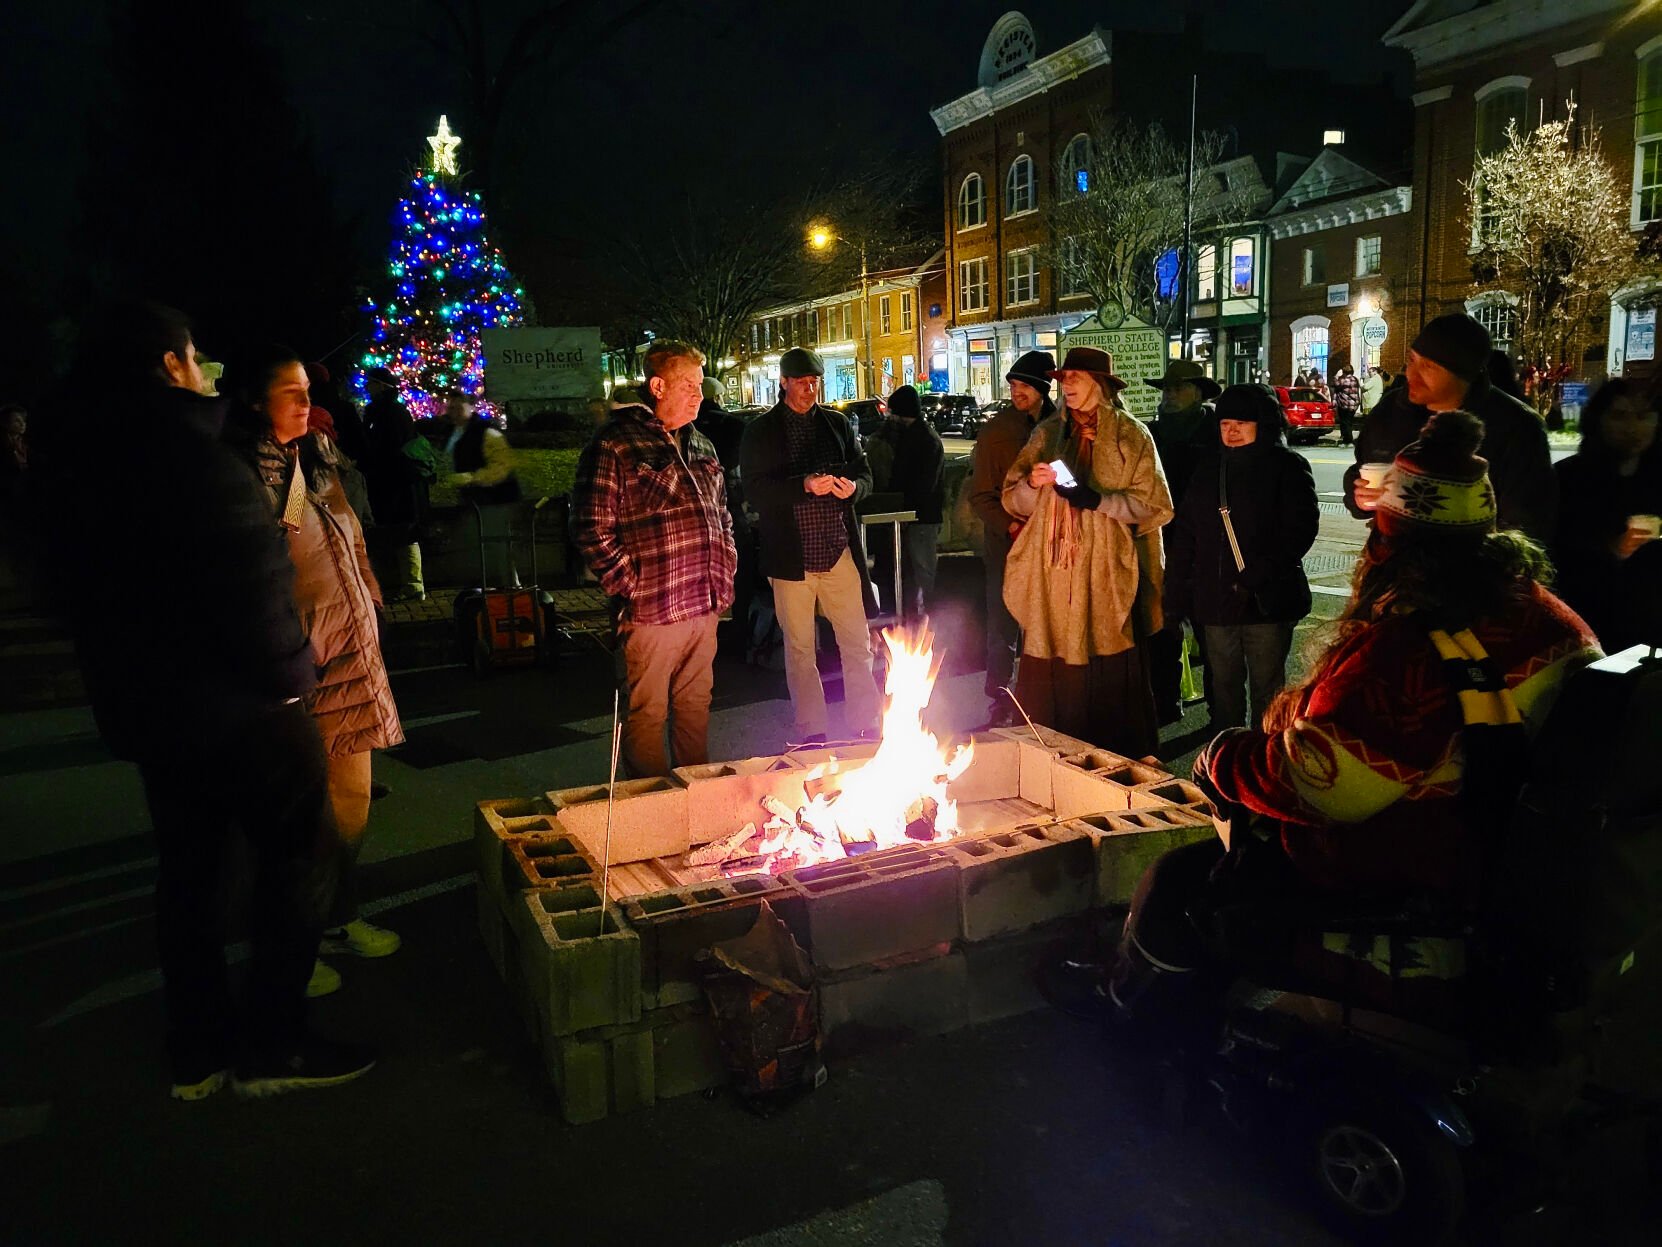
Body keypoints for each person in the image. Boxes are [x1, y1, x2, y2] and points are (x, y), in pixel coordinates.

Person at [1116, 411, 1599, 1017]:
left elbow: (1325, 785)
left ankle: (1152, 1026)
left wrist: (1221, 757)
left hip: (1418, 879)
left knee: (1181, 882)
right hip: (1514, 861)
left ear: (1394, 542)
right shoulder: (1546, 613)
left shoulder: (1412, 649)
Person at [55, 301, 372, 1099]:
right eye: (196, 357)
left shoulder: (82, 461)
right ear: (169, 364)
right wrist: (296, 680)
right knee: (298, 858)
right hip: (248, 715)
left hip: (156, 716)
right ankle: (271, 1041)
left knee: (191, 873)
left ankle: (195, 1049)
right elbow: (255, 599)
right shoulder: (196, 459)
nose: (206, 372)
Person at [226, 344, 407, 999]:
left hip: (351, 655)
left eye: (308, 391)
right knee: (296, 817)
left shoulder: (322, 461)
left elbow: (353, 543)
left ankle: (337, 915)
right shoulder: (244, 473)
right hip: (296, 666)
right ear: (254, 400)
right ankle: (287, 946)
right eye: (289, 392)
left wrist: (373, 604)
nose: (306, 404)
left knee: (352, 804)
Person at [571, 340, 737, 777]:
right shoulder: (616, 444)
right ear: (658, 386)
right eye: (689, 385)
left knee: (695, 707)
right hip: (652, 610)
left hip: (704, 604)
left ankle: (695, 799)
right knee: (647, 714)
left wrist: (725, 569)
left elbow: (723, 515)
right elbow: (591, 526)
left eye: (701, 386)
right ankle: (651, 808)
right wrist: (632, 584)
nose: (699, 395)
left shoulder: (702, 444)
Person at [1000, 346, 1174, 755]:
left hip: (1106, 570)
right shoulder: (1046, 435)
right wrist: (1033, 485)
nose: (1067, 387)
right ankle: (1053, 752)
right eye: (1063, 381)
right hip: (1053, 574)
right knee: (1052, 647)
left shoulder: (1132, 436)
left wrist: (1098, 501)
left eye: (1074, 378)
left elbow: (1154, 505)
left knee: (1105, 647)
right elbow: (1013, 501)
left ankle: (1111, 754)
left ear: (1100, 383)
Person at [739, 346, 881, 744]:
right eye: (801, 381)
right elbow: (754, 489)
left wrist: (853, 489)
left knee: (856, 641)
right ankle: (811, 728)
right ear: (783, 382)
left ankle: (866, 721)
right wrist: (802, 486)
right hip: (791, 556)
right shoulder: (762, 431)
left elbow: (864, 472)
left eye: (814, 381)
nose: (809, 388)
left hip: (837, 550)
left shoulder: (835, 424)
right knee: (800, 649)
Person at [1164, 384, 1318, 730]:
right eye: (1225, 424)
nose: (1231, 431)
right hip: (1216, 599)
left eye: (1241, 424)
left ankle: (1266, 760)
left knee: (1267, 689)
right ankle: (1227, 757)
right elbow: (1187, 534)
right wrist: (1176, 592)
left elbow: (1300, 529)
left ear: (1262, 424)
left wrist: (1258, 573)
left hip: (1264, 600)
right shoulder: (1209, 469)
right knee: (1224, 688)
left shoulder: (1288, 466)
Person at [1345, 312, 1556, 542]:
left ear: (1463, 375)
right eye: (1412, 360)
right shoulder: (1391, 409)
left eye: (1428, 367)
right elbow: (1360, 469)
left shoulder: (1517, 427)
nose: (1411, 375)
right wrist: (1360, 498)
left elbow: (1524, 526)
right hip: (1395, 566)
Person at [968, 351, 1054, 727]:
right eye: (1014, 385)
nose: (1017, 391)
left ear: (1042, 388)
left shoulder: (1059, 426)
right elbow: (980, 495)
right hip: (1006, 544)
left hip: (1052, 543)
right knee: (1002, 624)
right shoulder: (997, 430)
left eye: (1025, 385)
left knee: (1047, 623)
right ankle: (1000, 698)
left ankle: (1042, 695)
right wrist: (1011, 526)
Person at [1552, 379, 1662, 652]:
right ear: (1598, 420)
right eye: (1619, 416)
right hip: (1590, 621)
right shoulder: (1569, 478)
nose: (1633, 427)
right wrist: (1609, 548)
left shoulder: (1657, 478)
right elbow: (1556, 545)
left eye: (1643, 416)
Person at [1145, 360, 1223, 725]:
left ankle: (1220, 712)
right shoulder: (1152, 433)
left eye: (1177, 388)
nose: (1169, 395)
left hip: (1205, 548)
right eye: (1166, 389)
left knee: (1211, 636)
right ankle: (1165, 701)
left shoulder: (1214, 433)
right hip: (1162, 543)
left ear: (1197, 392)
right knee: (1163, 630)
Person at [361, 368, 428, 601]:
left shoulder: (386, 413)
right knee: (403, 532)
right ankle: (411, 583)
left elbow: (384, 449)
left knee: (402, 532)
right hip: (398, 482)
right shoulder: (392, 411)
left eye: (370, 383)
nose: (366, 387)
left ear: (381, 386)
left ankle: (412, 584)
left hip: (395, 483)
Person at [886, 384, 944, 620]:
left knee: (924, 570)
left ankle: (932, 619)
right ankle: (922, 617)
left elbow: (921, 483)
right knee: (919, 570)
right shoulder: (922, 436)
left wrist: (910, 512)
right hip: (921, 515)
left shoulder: (919, 439)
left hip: (920, 517)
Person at [1330, 363, 1361, 446]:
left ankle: (1348, 440)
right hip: (1354, 404)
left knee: (1345, 422)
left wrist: (1336, 376)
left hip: (1345, 404)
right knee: (1349, 422)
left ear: (1344, 372)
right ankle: (1347, 439)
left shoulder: (1343, 380)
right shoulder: (1355, 379)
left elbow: (1335, 385)